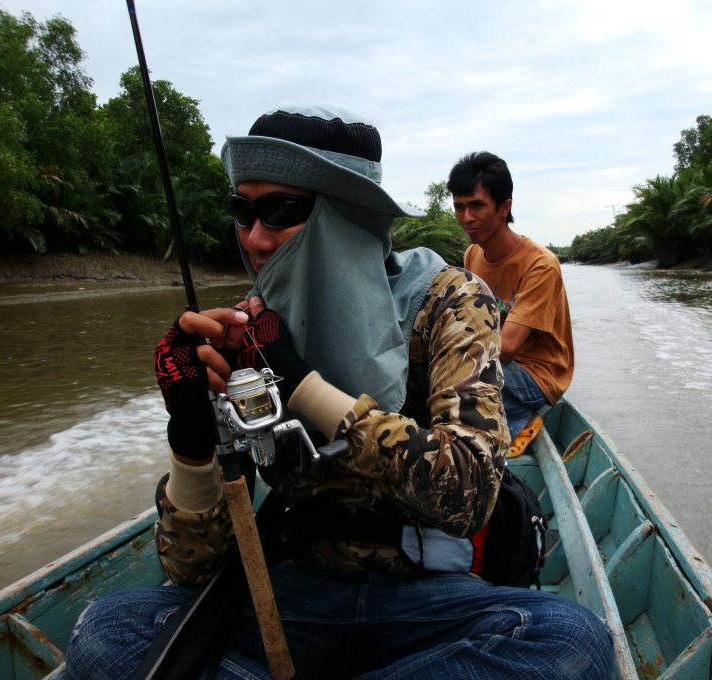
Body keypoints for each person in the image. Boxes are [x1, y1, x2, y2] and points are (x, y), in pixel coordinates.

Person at [65, 106, 612, 679]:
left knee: (571, 641)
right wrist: (191, 435)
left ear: (346, 217)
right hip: (294, 595)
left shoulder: (449, 301)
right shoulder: (252, 327)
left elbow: (469, 494)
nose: (253, 238)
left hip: (425, 600)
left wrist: (304, 386)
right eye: (242, 211)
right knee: (106, 629)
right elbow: (191, 570)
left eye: (279, 211)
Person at [448, 152, 574, 442]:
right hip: (496, 364)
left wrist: (450, 359)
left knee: (458, 381)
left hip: (537, 374)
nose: (466, 218)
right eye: (459, 207)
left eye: (477, 206)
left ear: (504, 207)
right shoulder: (473, 254)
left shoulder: (540, 264)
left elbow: (508, 347)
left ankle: (518, 420)